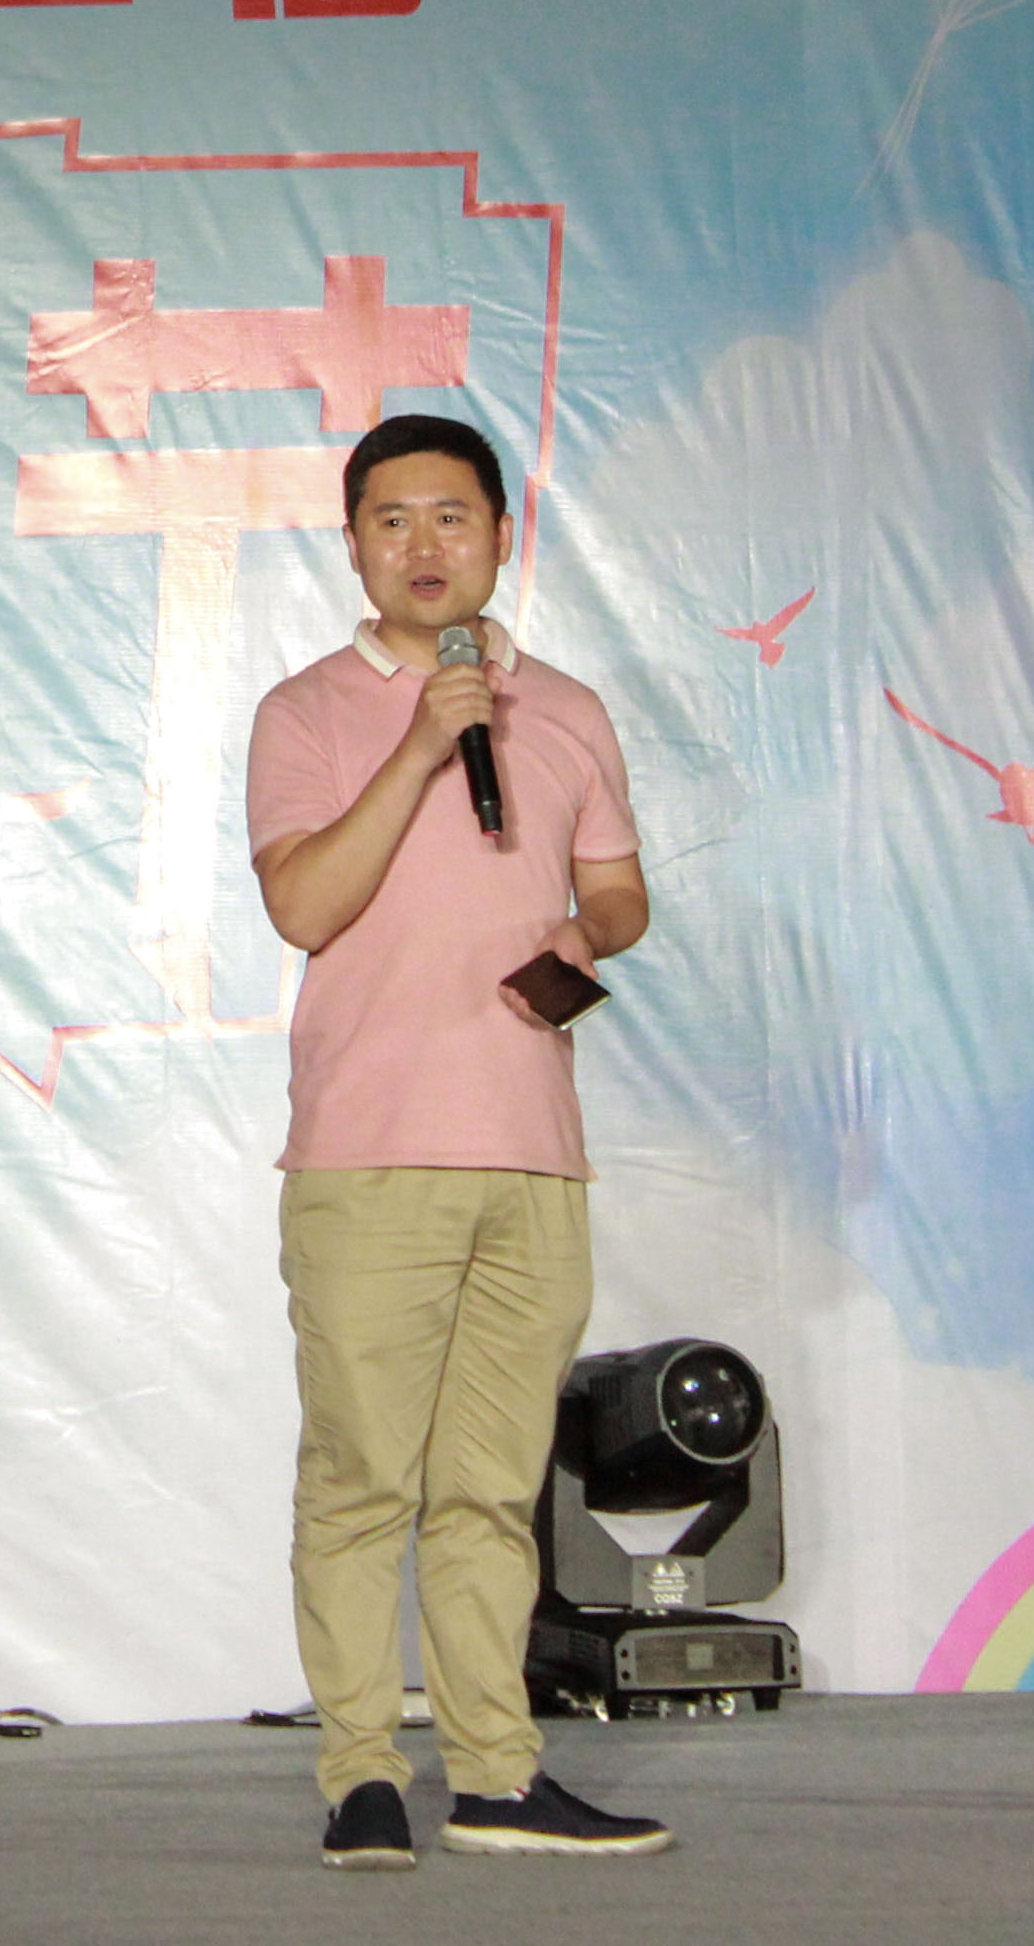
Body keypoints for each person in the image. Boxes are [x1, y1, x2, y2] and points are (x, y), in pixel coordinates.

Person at [242, 414, 668, 1867]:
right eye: (392, 520)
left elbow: (621, 890)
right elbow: (305, 904)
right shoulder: (306, 713)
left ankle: (496, 1771)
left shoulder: (569, 709)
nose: (424, 546)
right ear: (354, 544)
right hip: (369, 1152)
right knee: (363, 1475)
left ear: (500, 535)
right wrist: (426, 740)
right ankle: (361, 1773)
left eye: (451, 517)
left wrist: (587, 930)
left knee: (493, 1486)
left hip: (534, 1147)